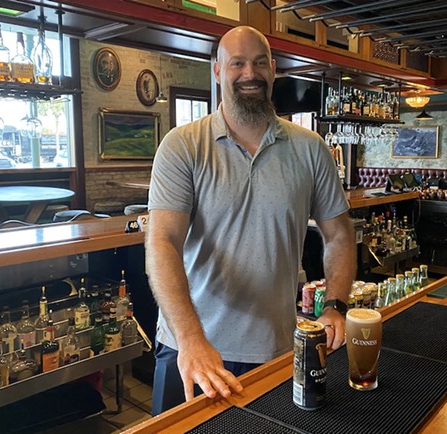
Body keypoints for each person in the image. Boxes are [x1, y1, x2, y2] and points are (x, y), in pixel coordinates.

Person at [145, 25, 356, 415]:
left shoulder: (311, 150)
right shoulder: (182, 146)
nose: (249, 73)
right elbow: (161, 243)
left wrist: (335, 307)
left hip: (274, 350)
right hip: (190, 352)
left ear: (273, 69)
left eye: (259, 63)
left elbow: (340, 235)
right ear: (217, 71)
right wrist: (191, 339)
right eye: (237, 63)